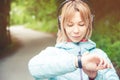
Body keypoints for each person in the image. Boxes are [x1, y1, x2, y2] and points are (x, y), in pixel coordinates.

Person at [28, 0, 119, 80]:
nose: (76, 31)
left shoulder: (99, 55)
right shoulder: (53, 53)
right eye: (70, 25)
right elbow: (34, 68)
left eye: (81, 24)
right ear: (62, 25)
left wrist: (94, 77)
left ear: (89, 24)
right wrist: (78, 62)